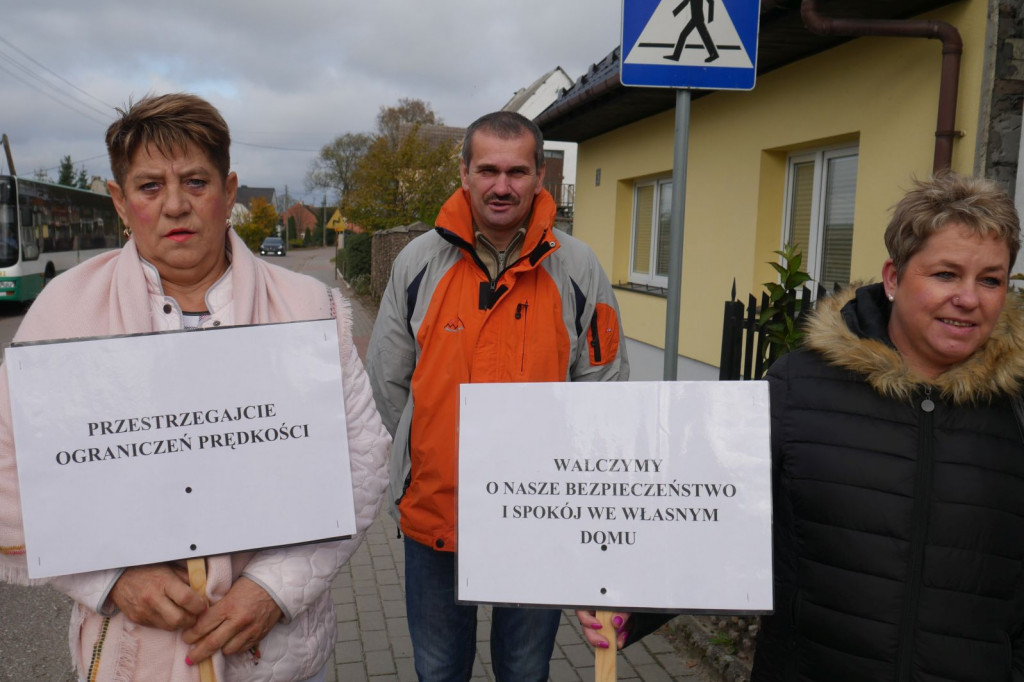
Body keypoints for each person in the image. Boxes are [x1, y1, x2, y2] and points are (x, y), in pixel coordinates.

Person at [0, 93, 390, 681]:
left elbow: (362, 464)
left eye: (196, 182)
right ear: (119, 201)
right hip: (135, 655)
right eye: (150, 186)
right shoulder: (64, 315)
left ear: (230, 191)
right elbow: (11, 473)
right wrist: (110, 580)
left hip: (273, 656)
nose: (175, 205)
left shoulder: (306, 310)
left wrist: (272, 589)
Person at [578, 172, 1024, 680]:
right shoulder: (800, 385)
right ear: (894, 278)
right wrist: (631, 606)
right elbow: (717, 517)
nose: (969, 298)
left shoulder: (1016, 406)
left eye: (990, 279)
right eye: (946, 274)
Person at [367, 110, 628, 681]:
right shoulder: (418, 263)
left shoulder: (577, 267)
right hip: (436, 515)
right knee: (438, 670)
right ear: (464, 174)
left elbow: (603, 389)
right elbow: (389, 381)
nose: (501, 185)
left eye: (516, 171)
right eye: (487, 169)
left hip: (539, 519)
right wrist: (430, 449)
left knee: (526, 671)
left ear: (541, 178)